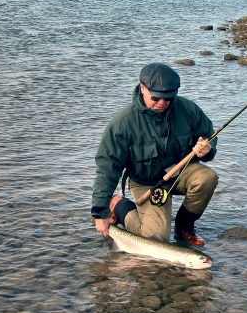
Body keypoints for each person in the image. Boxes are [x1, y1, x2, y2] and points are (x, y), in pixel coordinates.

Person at [91, 62, 218, 246]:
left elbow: (208, 134)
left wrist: (207, 147)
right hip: (146, 182)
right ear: (142, 87)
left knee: (207, 178)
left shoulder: (187, 109)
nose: (162, 103)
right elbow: (107, 169)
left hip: (178, 173)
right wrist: (100, 211)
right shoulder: (123, 124)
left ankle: (184, 228)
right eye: (156, 98)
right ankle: (119, 205)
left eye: (168, 98)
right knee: (155, 239)